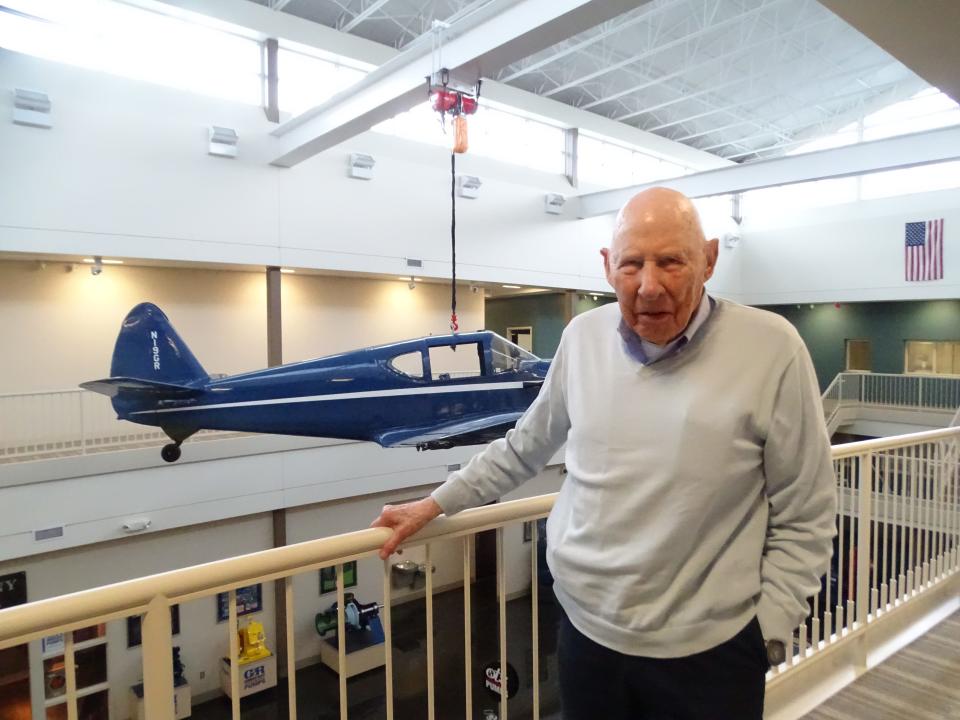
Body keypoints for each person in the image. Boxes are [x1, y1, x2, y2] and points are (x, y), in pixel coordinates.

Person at [371, 187, 837, 719]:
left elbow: (807, 509)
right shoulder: (581, 339)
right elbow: (525, 445)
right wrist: (435, 503)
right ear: (607, 265)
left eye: (671, 262)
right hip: (587, 638)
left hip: (712, 655)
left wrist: (768, 631)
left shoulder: (772, 349)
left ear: (708, 259)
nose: (649, 286)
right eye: (632, 264)